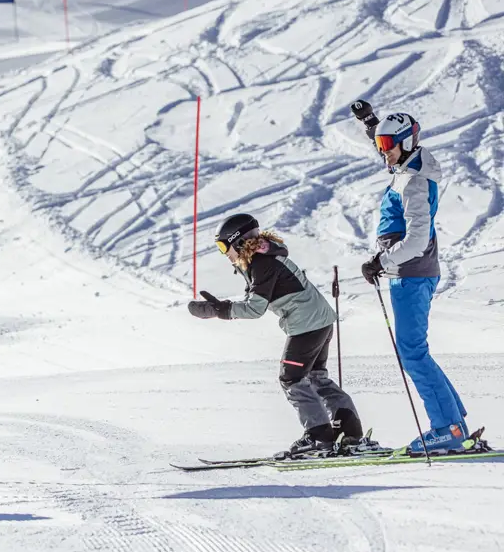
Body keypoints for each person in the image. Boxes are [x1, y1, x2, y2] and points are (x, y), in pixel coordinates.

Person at [188, 213, 365, 457]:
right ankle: (349, 431)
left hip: (306, 325)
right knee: (316, 377)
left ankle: (318, 435)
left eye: (223, 246)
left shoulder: (262, 264)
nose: (223, 253)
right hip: (320, 321)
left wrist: (220, 310)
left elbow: (254, 308)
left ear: (238, 241)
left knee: (291, 378)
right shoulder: (263, 257)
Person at [351, 101, 471, 455]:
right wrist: (371, 124)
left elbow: (417, 240)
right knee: (415, 351)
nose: (382, 152)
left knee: (413, 354)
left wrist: (380, 261)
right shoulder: (407, 163)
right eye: (380, 145)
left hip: (410, 273)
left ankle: (446, 430)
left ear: (406, 143)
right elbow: (387, 144)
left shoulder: (415, 182)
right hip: (408, 272)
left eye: (388, 146)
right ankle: (454, 423)